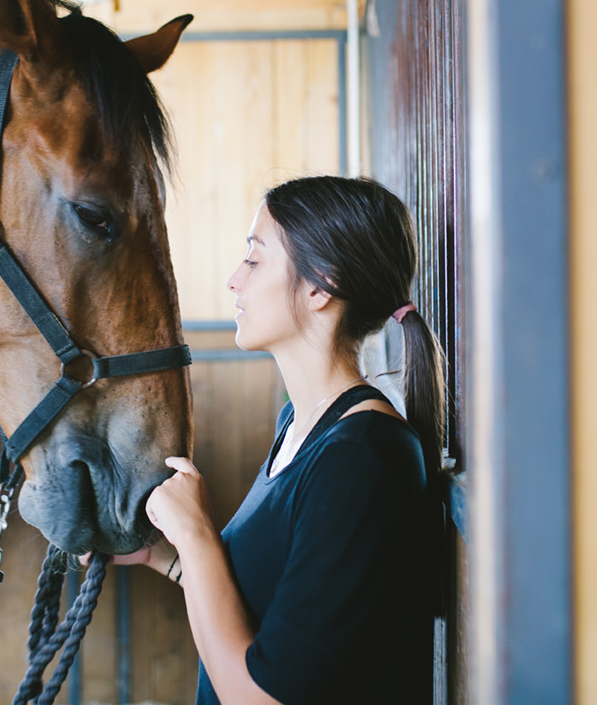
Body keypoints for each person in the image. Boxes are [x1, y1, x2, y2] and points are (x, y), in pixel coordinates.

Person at [117, 175, 445, 705]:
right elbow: (267, 609)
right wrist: (162, 555)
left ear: (320, 286)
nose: (234, 280)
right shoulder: (300, 425)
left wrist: (196, 533)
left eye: (254, 258)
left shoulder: (359, 460)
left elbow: (263, 698)